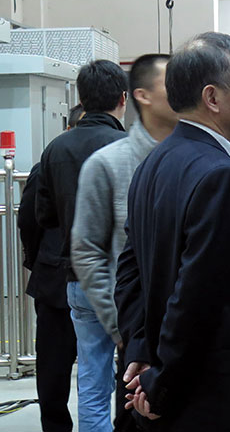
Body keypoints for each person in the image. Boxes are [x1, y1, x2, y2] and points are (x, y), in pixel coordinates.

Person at [114, 32, 230, 431]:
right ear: (213, 98)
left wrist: (140, 350)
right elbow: (196, 299)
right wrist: (161, 385)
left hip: (176, 385)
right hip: (212, 397)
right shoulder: (218, 176)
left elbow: (129, 273)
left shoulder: (154, 163)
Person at [70, 54, 177, 432]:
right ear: (142, 96)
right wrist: (123, 328)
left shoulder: (197, 159)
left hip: (191, 334)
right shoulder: (107, 165)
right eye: (171, 84)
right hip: (138, 341)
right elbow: (86, 251)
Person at [36, 61, 129, 432]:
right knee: (134, 372)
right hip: (125, 281)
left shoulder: (56, 148)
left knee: (92, 374)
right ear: (123, 98)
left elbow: (44, 215)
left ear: (81, 98)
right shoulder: (128, 148)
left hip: (78, 278)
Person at [17, 104, 84, 432]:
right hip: (104, 280)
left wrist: (38, 260)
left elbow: (29, 220)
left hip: (54, 276)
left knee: (53, 366)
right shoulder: (119, 156)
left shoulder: (47, 163)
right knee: (99, 365)